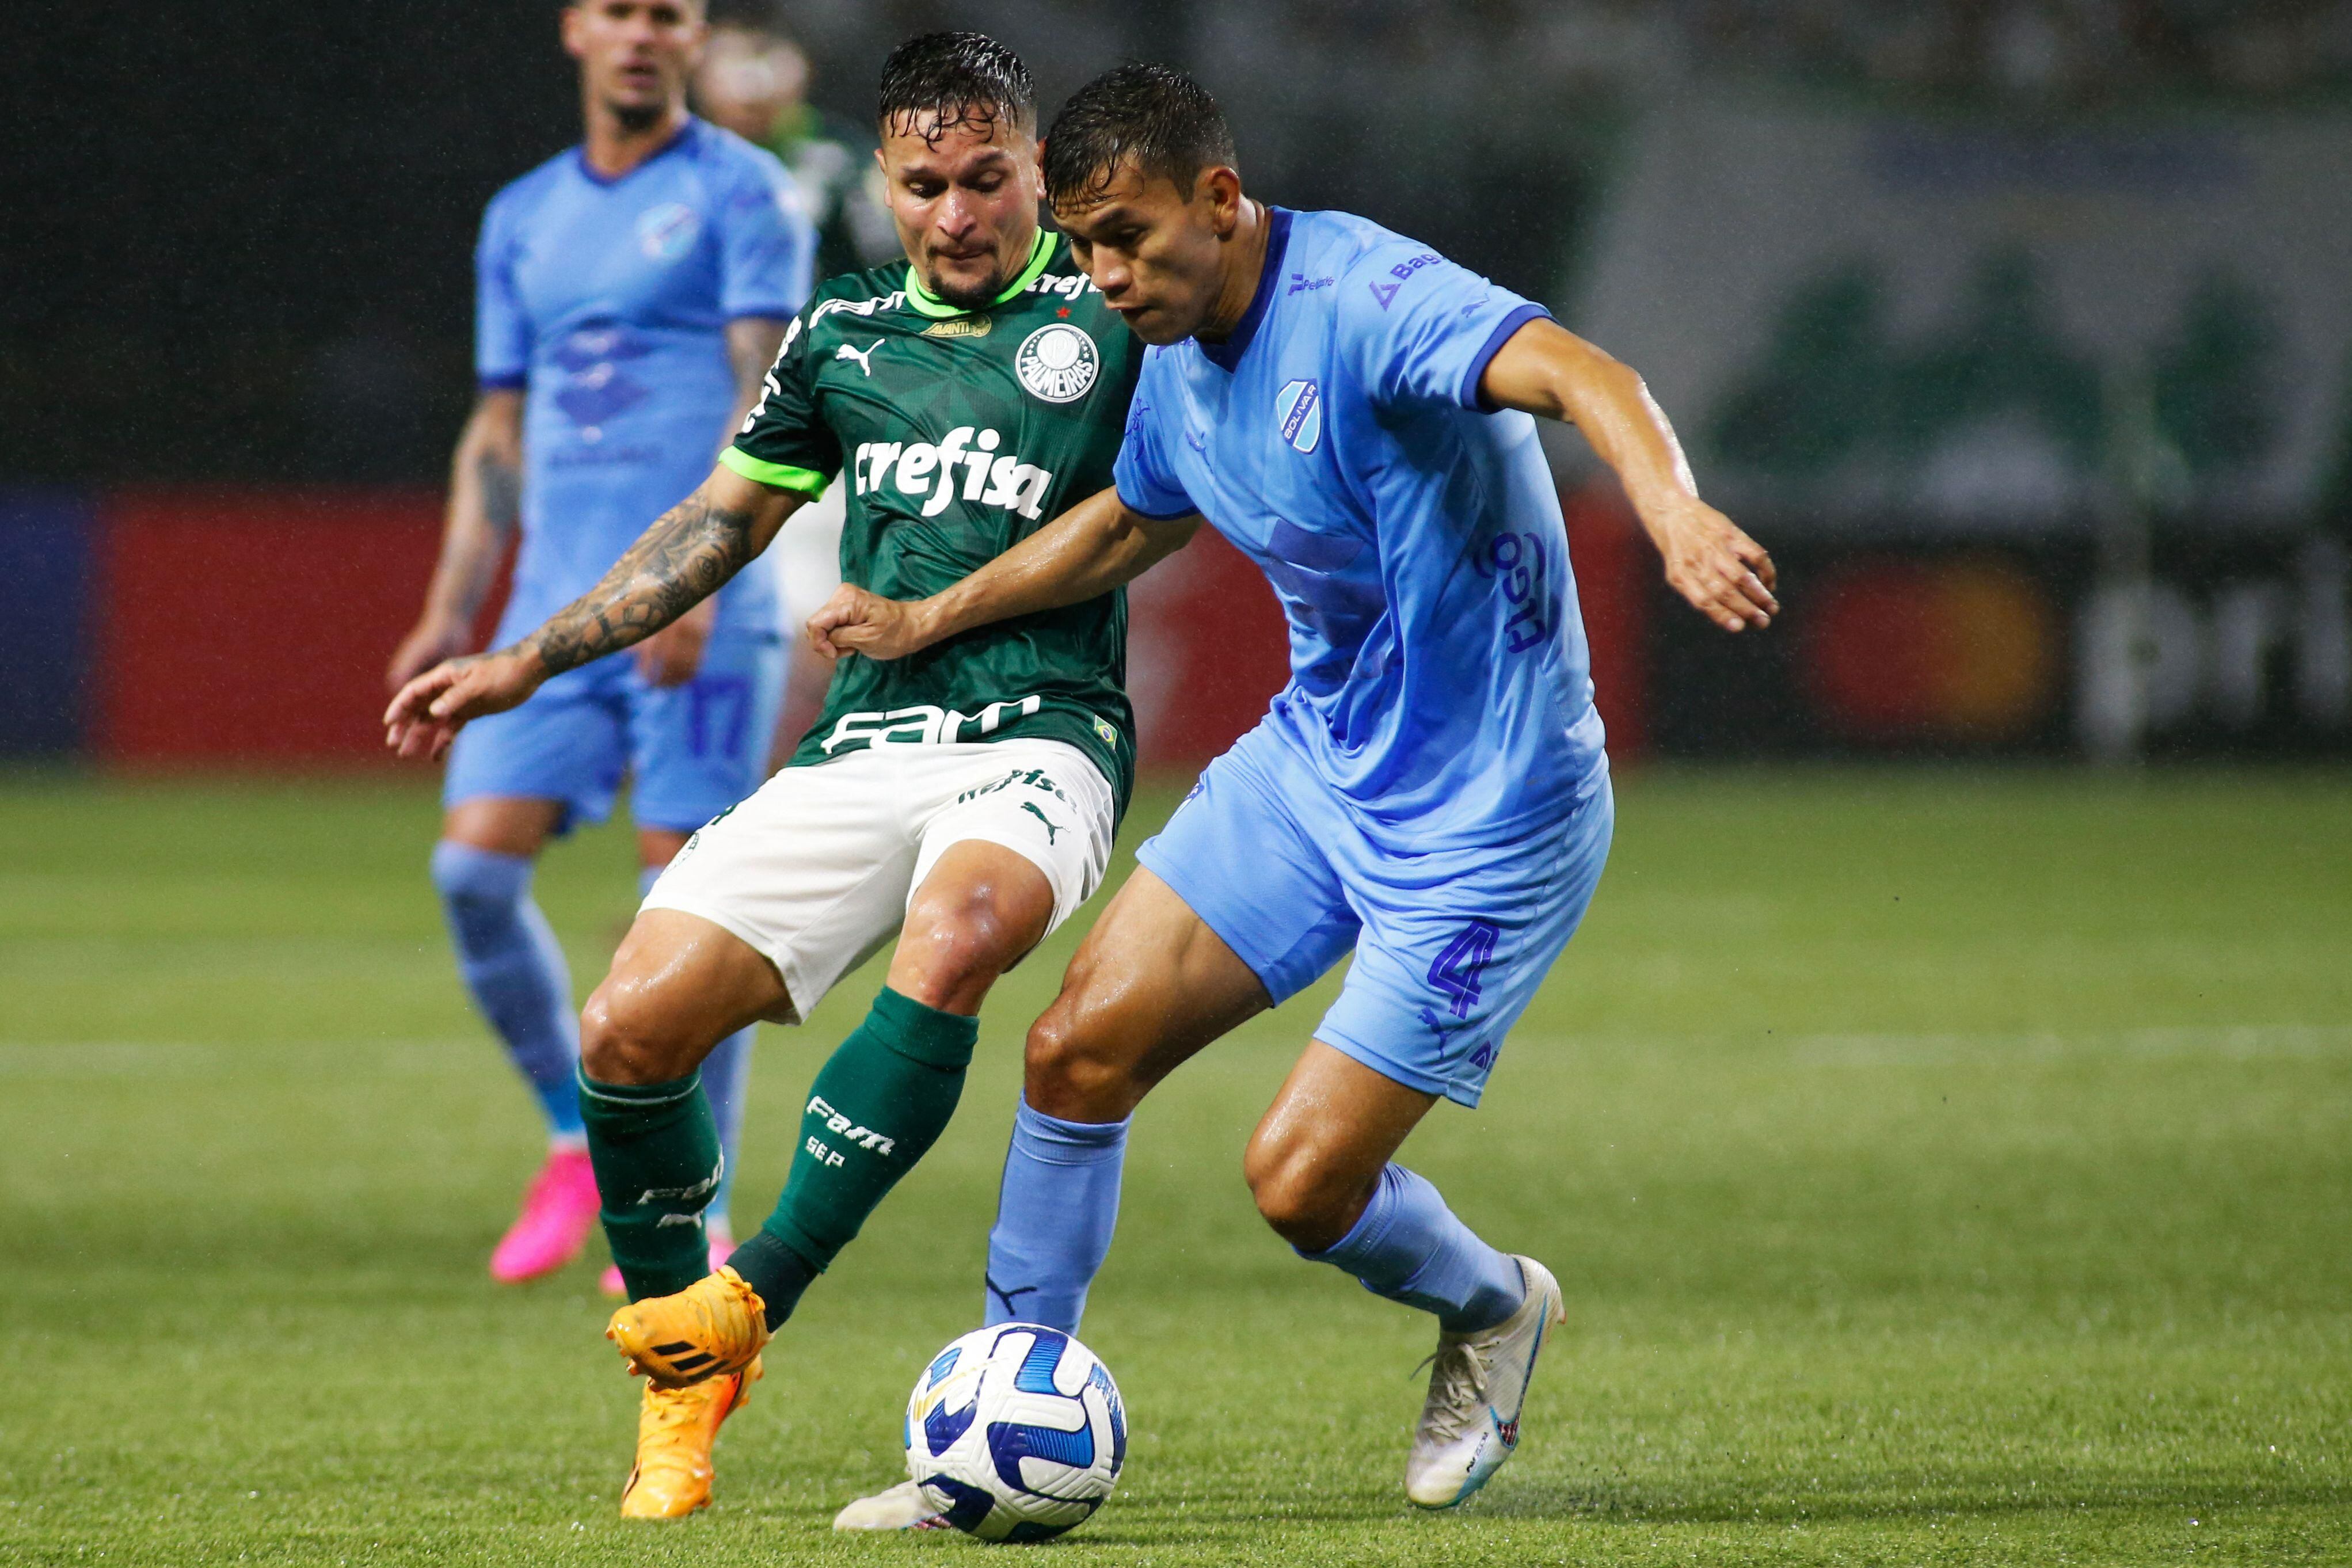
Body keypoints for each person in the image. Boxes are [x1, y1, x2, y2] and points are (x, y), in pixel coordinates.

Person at [807, 63, 1783, 1525]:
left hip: (1492, 823)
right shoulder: (1179, 355)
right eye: (1080, 246)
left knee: (1298, 1184)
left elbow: (1592, 377)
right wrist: (928, 618)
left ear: (1220, 197)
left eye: (1128, 236)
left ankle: (1495, 1306)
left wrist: (1674, 509)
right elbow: (1127, 523)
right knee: (1075, 1051)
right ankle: (992, 1442)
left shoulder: (1372, 301)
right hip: (1316, 768)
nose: (1103, 275)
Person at [386, 32, 1150, 1521]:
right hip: (864, 740)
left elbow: (1151, 513)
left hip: (1040, 730)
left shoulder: (1110, 318)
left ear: (1035, 170)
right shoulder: (841, 337)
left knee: (959, 931)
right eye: (924, 184)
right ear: (883, 182)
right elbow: (719, 520)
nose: (955, 214)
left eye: (986, 179)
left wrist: (943, 612)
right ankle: (685, 1386)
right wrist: (527, 660)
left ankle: (753, 1292)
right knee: (625, 1024)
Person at [387, 0, 811, 1296]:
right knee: (470, 876)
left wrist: (698, 576)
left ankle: (703, 1207)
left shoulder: (748, 194)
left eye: (666, 15)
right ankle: (577, 1139)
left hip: (699, 605)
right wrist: (451, 610)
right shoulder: (521, 215)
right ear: (576, 29)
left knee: (684, 904)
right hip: (549, 606)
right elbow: (496, 427)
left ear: (693, 37)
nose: (641, 35)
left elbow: (765, 393)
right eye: (618, 12)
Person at [687, 2, 900, 770]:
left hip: (815, 436)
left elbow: (899, 291)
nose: (748, 84)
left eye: (763, 61)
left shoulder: (841, 168)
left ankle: (840, 803)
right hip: (689, 428)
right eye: (732, 63)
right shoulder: (670, 170)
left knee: (811, 632)